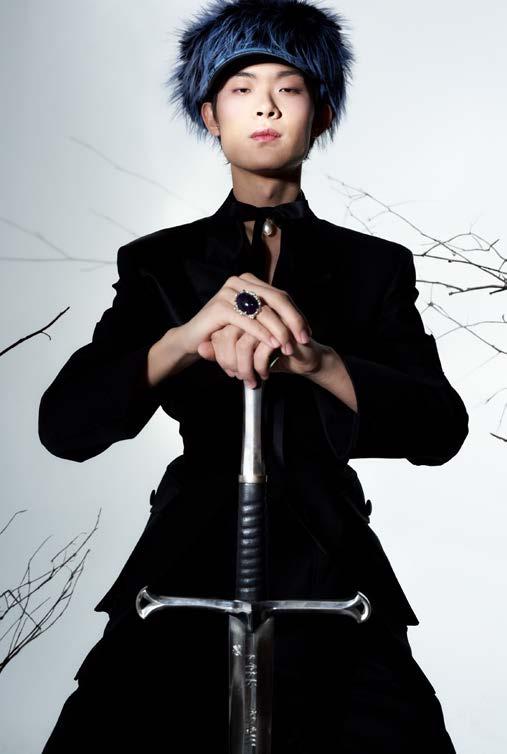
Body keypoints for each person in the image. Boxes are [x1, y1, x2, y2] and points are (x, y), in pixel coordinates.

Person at [39, 1, 469, 751]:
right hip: (185, 553)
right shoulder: (158, 263)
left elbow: (439, 429)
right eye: (240, 89)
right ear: (210, 115)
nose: (265, 105)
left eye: (288, 88)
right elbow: (66, 428)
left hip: (331, 559)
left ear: (321, 114)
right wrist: (186, 338)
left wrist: (315, 359)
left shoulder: (375, 266)